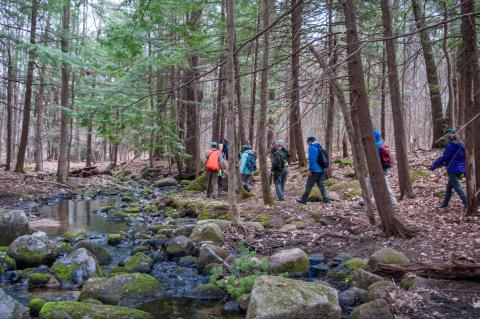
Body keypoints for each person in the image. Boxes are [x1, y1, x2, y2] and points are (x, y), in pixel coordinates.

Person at [430, 130, 466, 208]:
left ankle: (467, 203)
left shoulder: (450, 146)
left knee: (458, 188)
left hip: (452, 169)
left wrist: (433, 166)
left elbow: (445, 157)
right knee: (449, 187)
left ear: (448, 137)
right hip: (462, 169)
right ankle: (444, 204)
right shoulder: (461, 145)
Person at [297, 136, 329, 204]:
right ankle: (326, 199)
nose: (307, 143)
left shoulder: (312, 147)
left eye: (307, 142)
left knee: (309, 185)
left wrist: (310, 169)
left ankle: (303, 199)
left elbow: (312, 160)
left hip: (315, 170)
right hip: (322, 169)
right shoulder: (319, 147)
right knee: (321, 185)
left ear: (310, 141)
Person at [373, 130, 398, 206]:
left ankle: (393, 201)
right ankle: (365, 200)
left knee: (385, 185)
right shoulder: (381, 144)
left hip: (379, 169)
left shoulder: (376, 146)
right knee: (370, 183)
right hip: (385, 168)